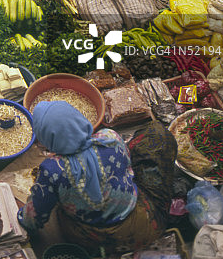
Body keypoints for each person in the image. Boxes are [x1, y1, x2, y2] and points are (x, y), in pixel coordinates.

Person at [18, 102, 177, 255]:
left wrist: (21, 217)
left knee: (55, 201)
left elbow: (33, 218)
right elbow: (127, 166)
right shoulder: (110, 138)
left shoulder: (52, 169)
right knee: (158, 133)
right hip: (146, 226)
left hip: (90, 240)